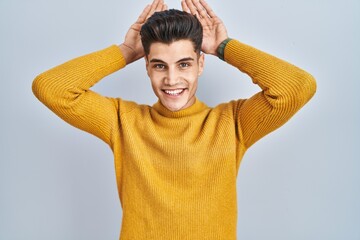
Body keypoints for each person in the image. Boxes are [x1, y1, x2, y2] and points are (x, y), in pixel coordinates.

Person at [32, 0, 317, 239]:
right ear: (146, 67)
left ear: (200, 63)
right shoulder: (122, 122)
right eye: (159, 65)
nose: (171, 79)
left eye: (184, 64)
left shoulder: (232, 123)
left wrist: (224, 46)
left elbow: (296, 87)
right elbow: (51, 88)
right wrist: (124, 52)